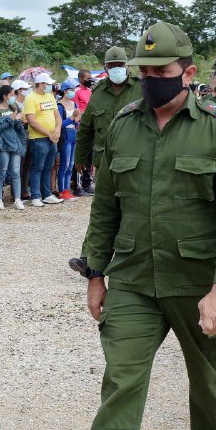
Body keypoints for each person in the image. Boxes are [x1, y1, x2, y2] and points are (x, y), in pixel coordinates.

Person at [53, 22, 216, 430]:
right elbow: (106, 208)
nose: (149, 81)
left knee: (210, 377)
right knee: (120, 382)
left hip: (196, 282)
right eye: (143, 73)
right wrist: (95, 274)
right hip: (135, 281)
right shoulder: (122, 124)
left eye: (160, 72)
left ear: (187, 73)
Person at [67, 46, 143, 276]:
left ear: (127, 66)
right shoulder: (98, 92)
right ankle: (88, 258)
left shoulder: (141, 89)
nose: (116, 69)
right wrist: (80, 158)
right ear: (105, 68)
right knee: (102, 209)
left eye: (120, 65)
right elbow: (87, 128)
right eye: (112, 66)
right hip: (105, 163)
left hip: (137, 160)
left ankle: (135, 258)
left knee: (136, 207)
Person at [24, 72, 63, 207]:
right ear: (40, 84)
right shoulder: (30, 98)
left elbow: (57, 115)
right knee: (37, 167)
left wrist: (57, 129)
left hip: (52, 138)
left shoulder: (50, 97)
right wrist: (49, 133)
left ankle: (47, 194)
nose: (50, 86)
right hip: (38, 138)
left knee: (48, 167)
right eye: (47, 84)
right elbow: (32, 121)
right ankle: (35, 195)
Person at [0, 85, 26, 210]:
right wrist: (10, 119)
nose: (14, 97)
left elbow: (17, 128)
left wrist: (19, 121)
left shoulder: (14, 108)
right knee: (2, 171)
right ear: (5, 96)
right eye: (11, 95)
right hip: (3, 145)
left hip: (15, 144)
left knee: (16, 172)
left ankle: (17, 199)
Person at [57, 79, 81, 201]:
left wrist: (77, 120)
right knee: (64, 164)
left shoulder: (74, 104)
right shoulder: (59, 105)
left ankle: (67, 189)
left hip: (73, 134)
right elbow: (60, 124)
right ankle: (62, 191)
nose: (73, 92)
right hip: (65, 135)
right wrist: (72, 117)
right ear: (65, 91)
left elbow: (76, 121)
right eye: (71, 90)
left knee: (71, 164)